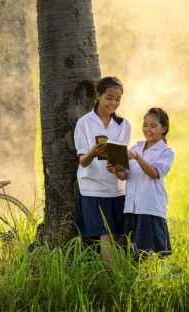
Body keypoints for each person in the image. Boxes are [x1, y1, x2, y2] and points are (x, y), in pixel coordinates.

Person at [73, 76, 131, 261]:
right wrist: (93, 152)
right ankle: (111, 281)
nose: (113, 103)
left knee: (121, 236)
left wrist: (117, 168)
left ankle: (123, 278)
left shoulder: (123, 124)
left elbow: (122, 167)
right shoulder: (85, 123)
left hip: (117, 189)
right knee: (106, 236)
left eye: (118, 99)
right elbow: (83, 161)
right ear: (97, 96)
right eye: (109, 97)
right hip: (94, 188)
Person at [108, 107, 174, 257]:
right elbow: (125, 176)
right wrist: (116, 170)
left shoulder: (166, 152)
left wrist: (138, 157)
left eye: (153, 126)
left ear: (163, 128)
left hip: (149, 208)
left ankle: (148, 279)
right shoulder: (136, 147)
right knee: (133, 253)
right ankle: (137, 279)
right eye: (145, 125)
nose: (148, 129)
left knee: (148, 253)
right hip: (132, 208)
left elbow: (154, 173)